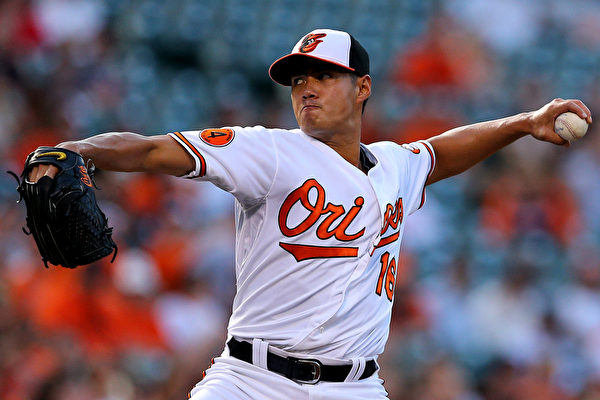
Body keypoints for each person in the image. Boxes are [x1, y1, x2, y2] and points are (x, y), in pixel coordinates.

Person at [28, 29, 592, 400]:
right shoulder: (269, 151)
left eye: (323, 75)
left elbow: (442, 152)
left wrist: (523, 123)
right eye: (298, 79)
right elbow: (156, 150)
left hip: (356, 387)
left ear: (362, 87)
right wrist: (78, 150)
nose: (306, 89)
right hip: (252, 380)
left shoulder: (395, 165)